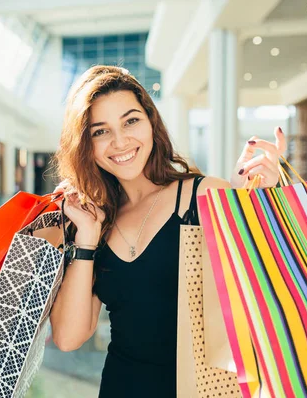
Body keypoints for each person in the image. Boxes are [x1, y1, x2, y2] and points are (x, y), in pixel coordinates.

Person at [49, 65, 286, 398]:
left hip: (203, 390)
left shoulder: (203, 195)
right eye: (100, 131)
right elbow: (68, 337)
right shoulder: (94, 221)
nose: (120, 141)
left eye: (131, 121)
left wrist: (259, 205)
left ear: (151, 123)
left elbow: (265, 290)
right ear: (86, 144)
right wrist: (86, 239)